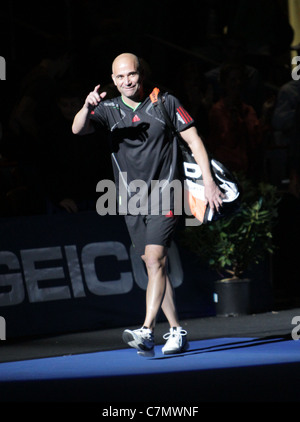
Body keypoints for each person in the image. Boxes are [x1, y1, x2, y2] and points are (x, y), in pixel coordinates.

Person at [72, 53, 223, 357]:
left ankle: (145, 329)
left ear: (141, 74)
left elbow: (194, 140)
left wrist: (208, 181)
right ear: (113, 80)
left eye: (132, 75)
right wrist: (87, 107)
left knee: (155, 260)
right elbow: (77, 129)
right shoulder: (109, 109)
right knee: (156, 266)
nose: (127, 81)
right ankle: (177, 330)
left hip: (166, 192)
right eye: (120, 77)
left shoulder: (164, 102)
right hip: (131, 199)